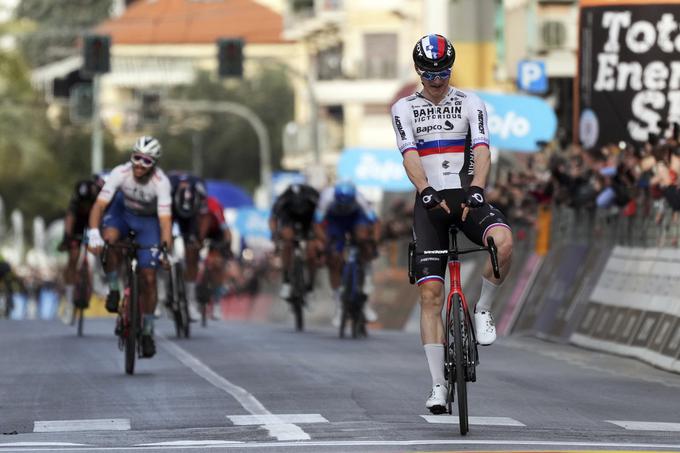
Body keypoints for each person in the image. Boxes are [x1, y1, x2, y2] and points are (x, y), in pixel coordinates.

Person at [391, 34, 513, 414]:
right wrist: (424, 189)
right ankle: (438, 387)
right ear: (418, 70)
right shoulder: (403, 108)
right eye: (430, 73)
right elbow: (410, 154)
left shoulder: (471, 103)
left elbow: (481, 148)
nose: (438, 79)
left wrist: (477, 188)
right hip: (430, 202)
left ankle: (483, 308)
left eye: (443, 71)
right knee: (430, 296)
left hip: (466, 195)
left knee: (504, 242)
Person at [87, 136, 172, 358]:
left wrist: (165, 250)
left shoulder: (162, 183)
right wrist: (94, 233)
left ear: (154, 164)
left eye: (146, 161)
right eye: (136, 158)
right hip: (121, 214)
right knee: (110, 242)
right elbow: (99, 206)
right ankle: (114, 289)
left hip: (148, 222)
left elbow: (165, 222)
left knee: (149, 277)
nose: (139, 165)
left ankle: (147, 331)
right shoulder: (120, 173)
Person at [313, 180, 381, 327]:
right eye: (341, 203)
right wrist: (325, 242)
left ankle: (365, 295)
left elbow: (375, 222)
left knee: (363, 239)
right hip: (335, 221)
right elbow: (317, 224)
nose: (344, 206)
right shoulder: (327, 198)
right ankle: (339, 305)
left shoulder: (360, 199)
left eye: (347, 204)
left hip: (356, 218)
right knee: (333, 258)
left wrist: (374, 241)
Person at [59, 175, 105, 312]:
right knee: (73, 257)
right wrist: (67, 237)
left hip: (94, 222)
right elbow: (70, 217)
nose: (84, 205)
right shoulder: (76, 200)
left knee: (97, 249)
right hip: (78, 224)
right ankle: (69, 296)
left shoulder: (100, 196)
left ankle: (94, 282)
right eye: (82, 203)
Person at [168, 171, 209, 319]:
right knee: (164, 248)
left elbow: (203, 219)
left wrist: (200, 239)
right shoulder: (167, 188)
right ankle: (166, 288)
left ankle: (191, 300)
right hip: (169, 214)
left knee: (192, 253)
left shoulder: (199, 192)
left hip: (191, 220)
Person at [269, 183, 320, 300]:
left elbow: (322, 221)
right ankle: (286, 280)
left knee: (312, 251)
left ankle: (310, 286)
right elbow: (273, 219)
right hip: (289, 220)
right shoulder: (283, 200)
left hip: (309, 221)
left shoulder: (314, 199)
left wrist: (319, 239)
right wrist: (274, 234)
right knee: (287, 242)